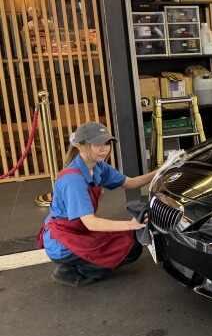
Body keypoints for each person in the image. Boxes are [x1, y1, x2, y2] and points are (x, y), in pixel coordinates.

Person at [37, 122, 158, 287]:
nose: (105, 148)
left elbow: (130, 182)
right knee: (128, 246)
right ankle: (70, 271)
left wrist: (162, 170)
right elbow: (91, 222)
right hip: (63, 241)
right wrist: (131, 224)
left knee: (131, 244)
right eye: (97, 144)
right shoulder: (73, 180)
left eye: (107, 143)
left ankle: (82, 263)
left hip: (80, 230)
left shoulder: (98, 166)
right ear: (81, 146)